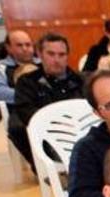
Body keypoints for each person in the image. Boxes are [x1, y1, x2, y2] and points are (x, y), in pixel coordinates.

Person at [11, 32, 85, 168]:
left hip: (81, 132)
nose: (57, 59)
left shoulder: (81, 81)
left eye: (62, 55)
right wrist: (56, 125)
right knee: (16, 128)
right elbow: (26, 111)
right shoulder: (27, 82)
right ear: (40, 54)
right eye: (51, 54)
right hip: (47, 136)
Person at [0, 30, 37, 107]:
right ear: (8, 48)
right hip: (19, 108)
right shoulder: (0, 66)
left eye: (28, 45)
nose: (25, 49)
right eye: (19, 45)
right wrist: (29, 94)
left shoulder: (42, 62)